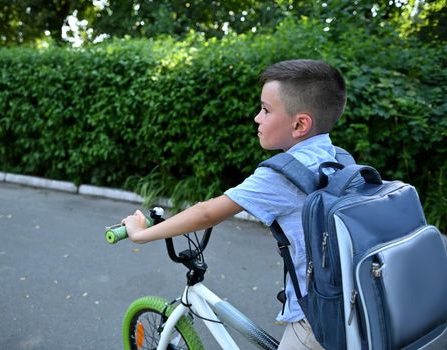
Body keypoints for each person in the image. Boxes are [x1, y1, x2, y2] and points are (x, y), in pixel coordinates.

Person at [122, 59, 347, 350]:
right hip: (348, 300)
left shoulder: (283, 175)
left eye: (266, 110)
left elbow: (206, 213)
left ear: (300, 124)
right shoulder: (336, 156)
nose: (257, 117)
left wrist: (140, 233)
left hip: (314, 322)